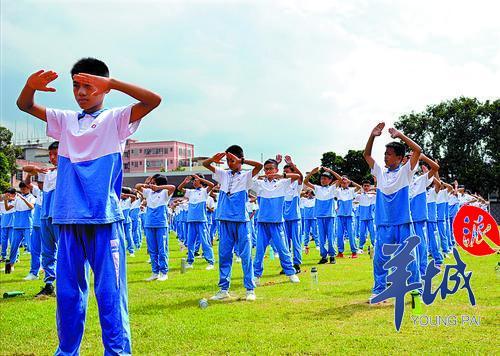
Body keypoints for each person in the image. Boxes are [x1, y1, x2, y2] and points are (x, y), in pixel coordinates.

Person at [17, 57, 161, 355]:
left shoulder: (116, 119)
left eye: (89, 86)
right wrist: (30, 87)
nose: (81, 92)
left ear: (104, 89)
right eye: (76, 86)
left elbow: (153, 99)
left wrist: (113, 83)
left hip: (104, 220)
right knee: (68, 295)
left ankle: (118, 351)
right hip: (68, 219)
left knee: (109, 293)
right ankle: (67, 351)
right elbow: (25, 106)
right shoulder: (66, 120)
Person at [363, 122, 422, 302]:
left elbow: (418, 150)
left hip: (403, 222)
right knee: (380, 259)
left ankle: (415, 290)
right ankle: (379, 290)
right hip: (384, 223)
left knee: (409, 258)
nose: (385, 157)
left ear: (399, 158)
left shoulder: (406, 172)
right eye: (385, 154)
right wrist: (372, 135)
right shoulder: (380, 173)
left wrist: (400, 135)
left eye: (388, 154)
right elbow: (366, 154)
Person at [203, 145, 263, 301]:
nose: (229, 163)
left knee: (245, 255)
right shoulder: (223, 174)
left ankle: (250, 289)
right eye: (228, 160)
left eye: (232, 160)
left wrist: (241, 160)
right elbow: (205, 165)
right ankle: (223, 289)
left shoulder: (246, 176)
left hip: (241, 220)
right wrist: (213, 160)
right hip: (225, 219)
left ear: (240, 160)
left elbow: (259, 166)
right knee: (224, 255)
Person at [252, 158, 301, 285]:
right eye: (266, 169)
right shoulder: (259, 184)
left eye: (271, 169)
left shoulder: (282, 183)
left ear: (276, 169)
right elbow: (250, 178)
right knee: (259, 251)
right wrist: (262, 174)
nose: (269, 171)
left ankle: (291, 273)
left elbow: (298, 176)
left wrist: (281, 175)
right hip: (262, 223)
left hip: (277, 223)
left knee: (283, 249)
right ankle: (256, 276)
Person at [136, 175, 176, 281]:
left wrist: (159, 188)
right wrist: (147, 185)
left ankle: (164, 272)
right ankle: (155, 272)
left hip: (161, 224)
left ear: (159, 183)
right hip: (149, 224)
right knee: (152, 250)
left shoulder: (164, 193)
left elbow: (173, 187)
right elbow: (137, 186)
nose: (152, 184)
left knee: (162, 249)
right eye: (151, 182)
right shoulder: (148, 192)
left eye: (154, 182)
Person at [177, 174, 216, 270]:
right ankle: (190, 261)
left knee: (205, 241)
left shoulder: (204, 191)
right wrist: (185, 182)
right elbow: (179, 188)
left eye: (195, 180)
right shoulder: (191, 192)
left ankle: (210, 261)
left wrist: (201, 178)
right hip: (191, 220)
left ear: (200, 181)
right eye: (193, 181)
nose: (193, 182)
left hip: (201, 220)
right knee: (190, 242)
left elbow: (211, 185)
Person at [304, 167, 337, 264]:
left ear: (330, 180)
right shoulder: (317, 188)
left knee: (331, 237)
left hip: (330, 216)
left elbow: (339, 179)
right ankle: (323, 256)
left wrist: (331, 171)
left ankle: (332, 256)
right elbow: (305, 182)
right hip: (319, 216)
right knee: (321, 238)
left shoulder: (332, 188)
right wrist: (311, 173)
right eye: (322, 178)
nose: (323, 180)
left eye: (325, 178)